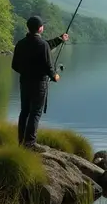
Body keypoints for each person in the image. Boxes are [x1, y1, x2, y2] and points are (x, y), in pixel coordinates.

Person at [11, 15, 69, 147]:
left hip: (24, 82)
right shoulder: (42, 45)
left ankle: (21, 141)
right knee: (35, 112)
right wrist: (55, 76)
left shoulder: (21, 43)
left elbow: (14, 65)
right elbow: (48, 66)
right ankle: (30, 143)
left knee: (24, 111)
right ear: (40, 28)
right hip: (39, 84)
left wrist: (60, 39)